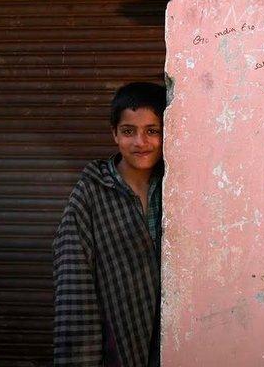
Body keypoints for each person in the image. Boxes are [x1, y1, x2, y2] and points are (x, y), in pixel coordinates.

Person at [53, 82, 166, 366]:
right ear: (114, 133)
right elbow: (73, 282)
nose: (140, 142)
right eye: (129, 131)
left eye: (152, 131)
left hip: (169, 340)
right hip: (114, 344)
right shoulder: (91, 192)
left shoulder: (175, 190)